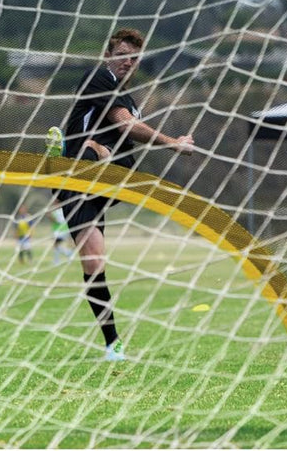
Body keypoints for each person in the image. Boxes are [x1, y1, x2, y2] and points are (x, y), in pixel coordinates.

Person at [57, 27, 195, 361]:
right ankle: (112, 344)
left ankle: (89, 153)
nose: (127, 62)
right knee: (94, 261)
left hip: (107, 180)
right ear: (109, 56)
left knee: (107, 153)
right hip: (77, 178)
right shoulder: (98, 77)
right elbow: (126, 125)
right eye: (121, 55)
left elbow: (126, 122)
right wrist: (172, 142)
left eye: (133, 57)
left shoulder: (128, 97)